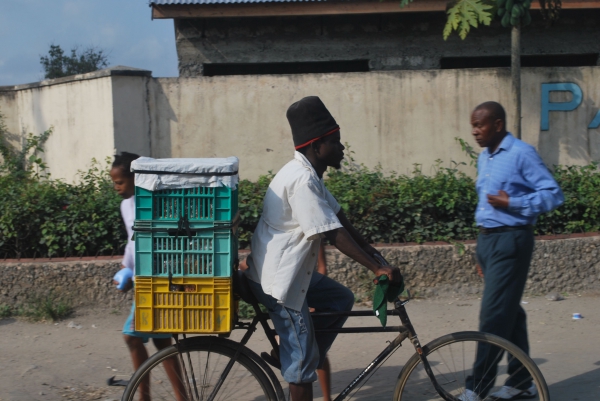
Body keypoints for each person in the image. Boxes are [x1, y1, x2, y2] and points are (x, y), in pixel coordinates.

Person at [244, 96, 402, 401]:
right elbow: (331, 233)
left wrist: (376, 256)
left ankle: (299, 354)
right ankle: (299, 359)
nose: (342, 148)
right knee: (302, 368)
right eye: (336, 142)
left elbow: (341, 220)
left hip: (290, 272)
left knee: (340, 298)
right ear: (317, 147)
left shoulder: (310, 176)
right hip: (280, 283)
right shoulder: (301, 180)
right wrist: (376, 269)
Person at [460, 102, 564, 401]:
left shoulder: (521, 153)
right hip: (488, 242)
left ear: (498, 124)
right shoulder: (485, 157)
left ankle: (477, 387)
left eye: (479, 125)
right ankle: (521, 381)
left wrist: (514, 204)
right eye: (473, 125)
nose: (475, 131)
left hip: (512, 240)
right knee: (509, 312)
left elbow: (553, 194)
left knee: (492, 317)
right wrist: (481, 250)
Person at [110, 152, 186, 401]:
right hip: (143, 280)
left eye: (120, 181)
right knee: (161, 341)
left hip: (158, 278)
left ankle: (144, 397)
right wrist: (125, 267)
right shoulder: (126, 206)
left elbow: (157, 243)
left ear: (135, 178)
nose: (116, 187)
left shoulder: (154, 204)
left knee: (132, 338)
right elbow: (133, 244)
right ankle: (181, 397)